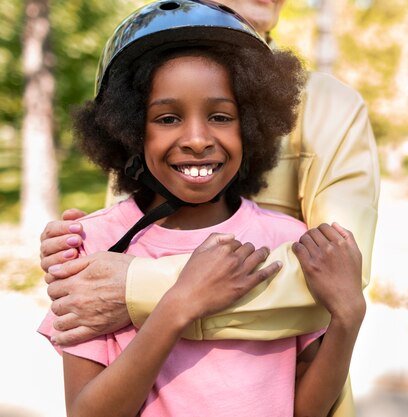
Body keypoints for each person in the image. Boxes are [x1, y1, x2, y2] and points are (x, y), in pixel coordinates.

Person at [40, 0, 379, 415]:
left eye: (220, 116)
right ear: (127, 129)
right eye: (167, 119)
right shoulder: (97, 247)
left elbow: (304, 408)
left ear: (252, 126)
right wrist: (177, 306)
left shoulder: (289, 242)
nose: (198, 138)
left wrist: (347, 321)